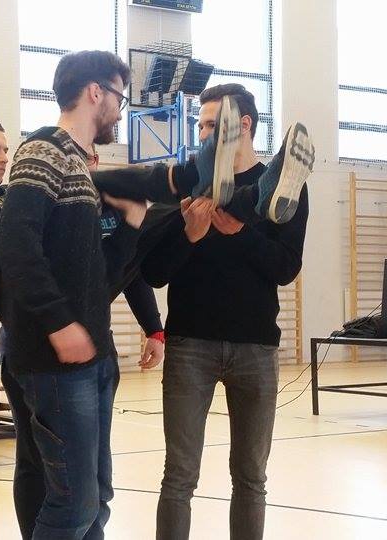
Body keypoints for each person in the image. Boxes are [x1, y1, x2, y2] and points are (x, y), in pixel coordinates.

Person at [0, 49, 159, 539]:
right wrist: (58, 322)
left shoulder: (81, 170)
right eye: (119, 98)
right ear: (95, 92)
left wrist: (130, 226)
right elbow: (15, 241)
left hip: (95, 358)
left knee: (96, 499)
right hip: (56, 362)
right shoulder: (43, 150)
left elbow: (96, 280)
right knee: (74, 505)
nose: (119, 113)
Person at [144, 83, 314, 540]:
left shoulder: (288, 186)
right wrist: (190, 235)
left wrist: (241, 233)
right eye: (200, 125)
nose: (202, 133)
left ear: (244, 125)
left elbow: (285, 268)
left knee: (251, 478)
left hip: (256, 347)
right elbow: (154, 272)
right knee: (179, 476)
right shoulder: (188, 185)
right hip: (190, 346)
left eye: (211, 125)